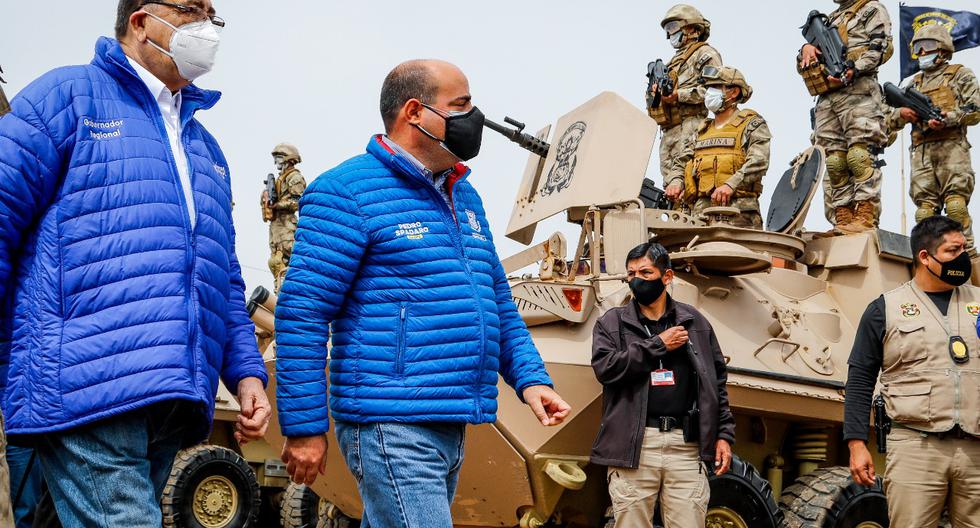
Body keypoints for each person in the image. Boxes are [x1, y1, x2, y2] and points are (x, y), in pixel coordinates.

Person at [0, 1, 271, 526]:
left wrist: (245, 373)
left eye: (212, 15)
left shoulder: (205, 147)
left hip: (173, 396)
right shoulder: (65, 98)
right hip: (88, 382)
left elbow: (223, 277)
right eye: (191, 10)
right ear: (141, 21)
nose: (206, 27)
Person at [274, 59, 571, 528]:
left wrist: (531, 381)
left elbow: (495, 300)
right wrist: (306, 428)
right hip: (391, 425)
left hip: (450, 421)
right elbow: (302, 313)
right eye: (462, 105)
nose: (475, 119)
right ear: (415, 112)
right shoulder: (346, 192)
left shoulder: (464, 197)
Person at [844, 216, 980, 527]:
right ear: (925, 257)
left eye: (965, 249)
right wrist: (856, 442)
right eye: (953, 251)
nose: (963, 258)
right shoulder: (885, 309)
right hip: (916, 448)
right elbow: (861, 377)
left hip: (975, 449)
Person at [591, 241, 734, 528]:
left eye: (645, 273)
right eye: (631, 274)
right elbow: (606, 369)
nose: (637, 280)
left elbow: (716, 384)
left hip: (686, 446)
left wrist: (724, 435)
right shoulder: (612, 323)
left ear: (666, 277)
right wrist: (658, 345)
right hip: (636, 446)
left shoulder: (695, 323)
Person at [799, 0, 892, 234]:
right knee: (834, 161)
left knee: (860, 156)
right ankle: (843, 216)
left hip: (859, 91)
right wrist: (805, 50)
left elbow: (880, 47)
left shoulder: (872, 9)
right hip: (828, 97)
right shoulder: (831, 19)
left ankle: (864, 216)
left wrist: (855, 68)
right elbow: (808, 61)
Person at [888, 24, 980, 250]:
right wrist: (902, 114)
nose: (921, 53)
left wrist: (947, 118)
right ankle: (930, 261)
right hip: (922, 155)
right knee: (925, 214)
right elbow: (888, 120)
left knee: (956, 208)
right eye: (917, 47)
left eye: (927, 46)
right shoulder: (914, 84)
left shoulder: (960, 74)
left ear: (942, 49)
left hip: (952, 151)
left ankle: (966, 261)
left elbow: (975, 109)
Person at [669, 65, 770, 228]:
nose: (709, 92)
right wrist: (675, 181)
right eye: (708, 88)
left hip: (739, 215)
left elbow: (758, 162)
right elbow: (682, 161)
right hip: (699, 216)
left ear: (734, 92)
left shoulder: (752, 124)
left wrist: (730, 185)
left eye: (715, 87)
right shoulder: (702, 129)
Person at [651, 4, 723, 205]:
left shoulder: (705, 54)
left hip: (691, 126)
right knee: (672, 191)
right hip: (669, 132)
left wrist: (678, 96)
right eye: (668, 29)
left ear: (692, 28)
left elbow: (715, 91)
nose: (670, 34)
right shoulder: (672, 63)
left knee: (689, 183)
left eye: (673, 26)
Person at [262, 143, 307, 291]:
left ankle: (293, 289)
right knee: (276, 261)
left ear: (289, 159)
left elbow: (298, 201)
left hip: (287, 225)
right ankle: (280, 290)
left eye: (280, 158)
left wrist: (278, 205)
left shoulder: (294, 177)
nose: (277, 162)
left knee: (290, 258)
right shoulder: (279, 179)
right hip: (276, 226)